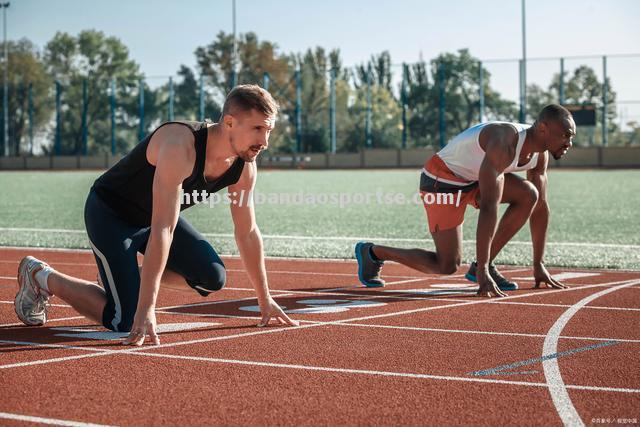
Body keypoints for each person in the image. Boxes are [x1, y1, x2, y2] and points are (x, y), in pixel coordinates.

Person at [15, 84, 298, 345]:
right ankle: (40, 276)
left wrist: (265, 298)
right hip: (111, 214)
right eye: (258, 129)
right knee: (124, 320)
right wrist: (147, 308)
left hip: (151, 219)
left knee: (211, 277)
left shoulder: (244, 167)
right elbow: (164, 228)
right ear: (229, 122)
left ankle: (124, 279)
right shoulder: (180, 145)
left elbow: (247, 232)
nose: (265, 141)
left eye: (269, 131)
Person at [356, 104, 576, 297]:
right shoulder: (504, 142)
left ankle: (483, 264)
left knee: (530, 195)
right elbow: (489, 207)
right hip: (442, 181)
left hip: (473, 179)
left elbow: (540, 208)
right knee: (447, 265)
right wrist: (483, 275)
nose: (569, 143)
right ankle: (373, 253)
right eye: (565, 135)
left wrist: (538, 264)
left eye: (571, 137)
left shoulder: (540, 155)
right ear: (543, 128)